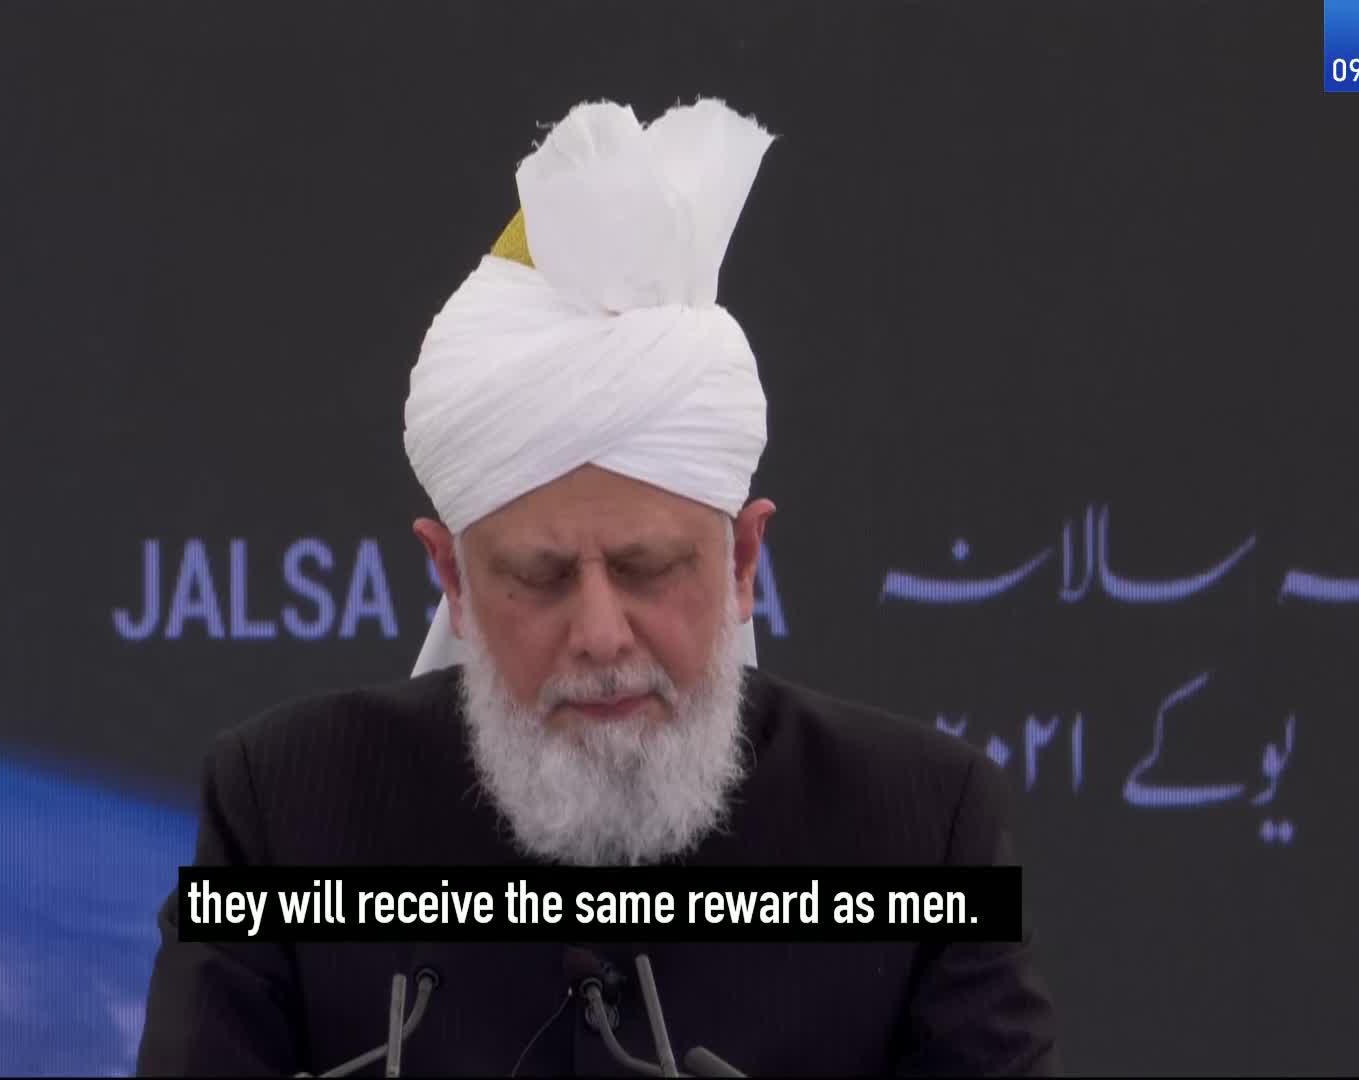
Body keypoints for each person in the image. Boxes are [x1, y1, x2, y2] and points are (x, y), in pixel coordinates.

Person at [136, 97, 1060, 1077]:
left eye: (648, 568)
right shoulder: (283, 815)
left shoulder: (925, 832)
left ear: (744, 563)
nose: (601, 633)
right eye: (538, 578)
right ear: (450, 577)